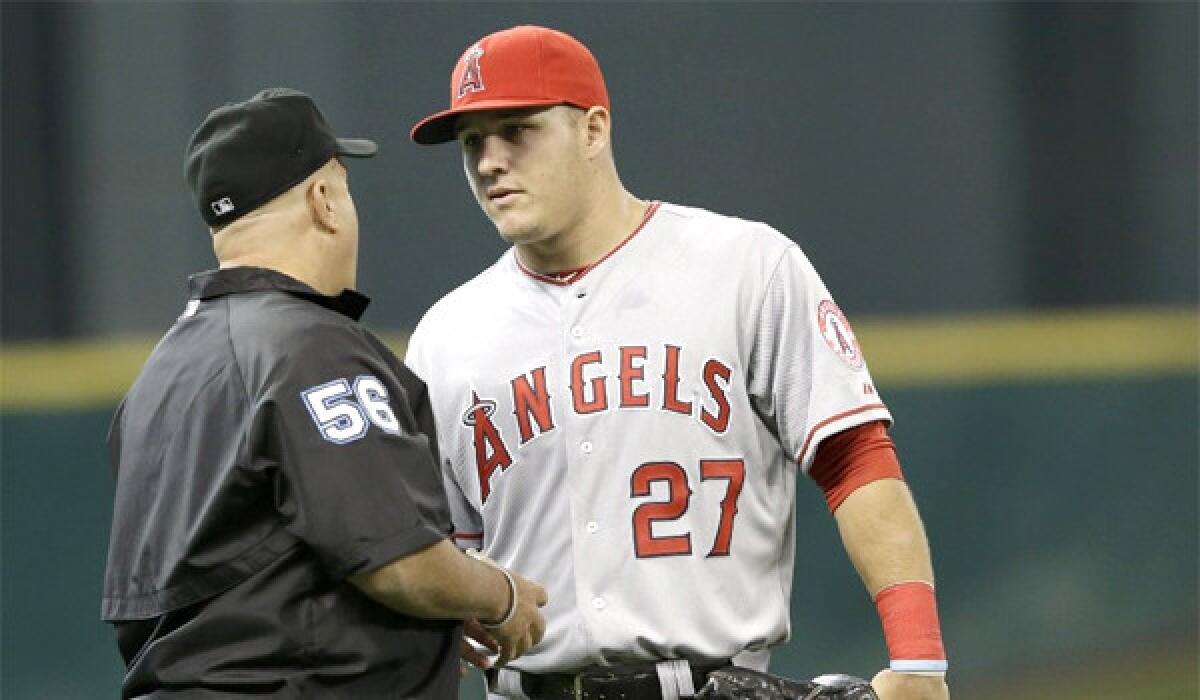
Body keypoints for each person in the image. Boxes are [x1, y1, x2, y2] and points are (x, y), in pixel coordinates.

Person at [405, 25, 951, 700]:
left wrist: (920, 660)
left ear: (593, 130)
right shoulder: (446, 335)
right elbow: (445, 559)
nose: (490, 161)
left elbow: (856, 459)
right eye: (471, 143)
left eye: (516, 130)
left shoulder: (745, 267)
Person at [101, 87, 547, 698]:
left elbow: (249, 565)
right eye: (343, 184)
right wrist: (499, 596)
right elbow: (399, 563)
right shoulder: (310, 345)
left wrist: (442, 602)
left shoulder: (162, 372)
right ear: (324, 200)